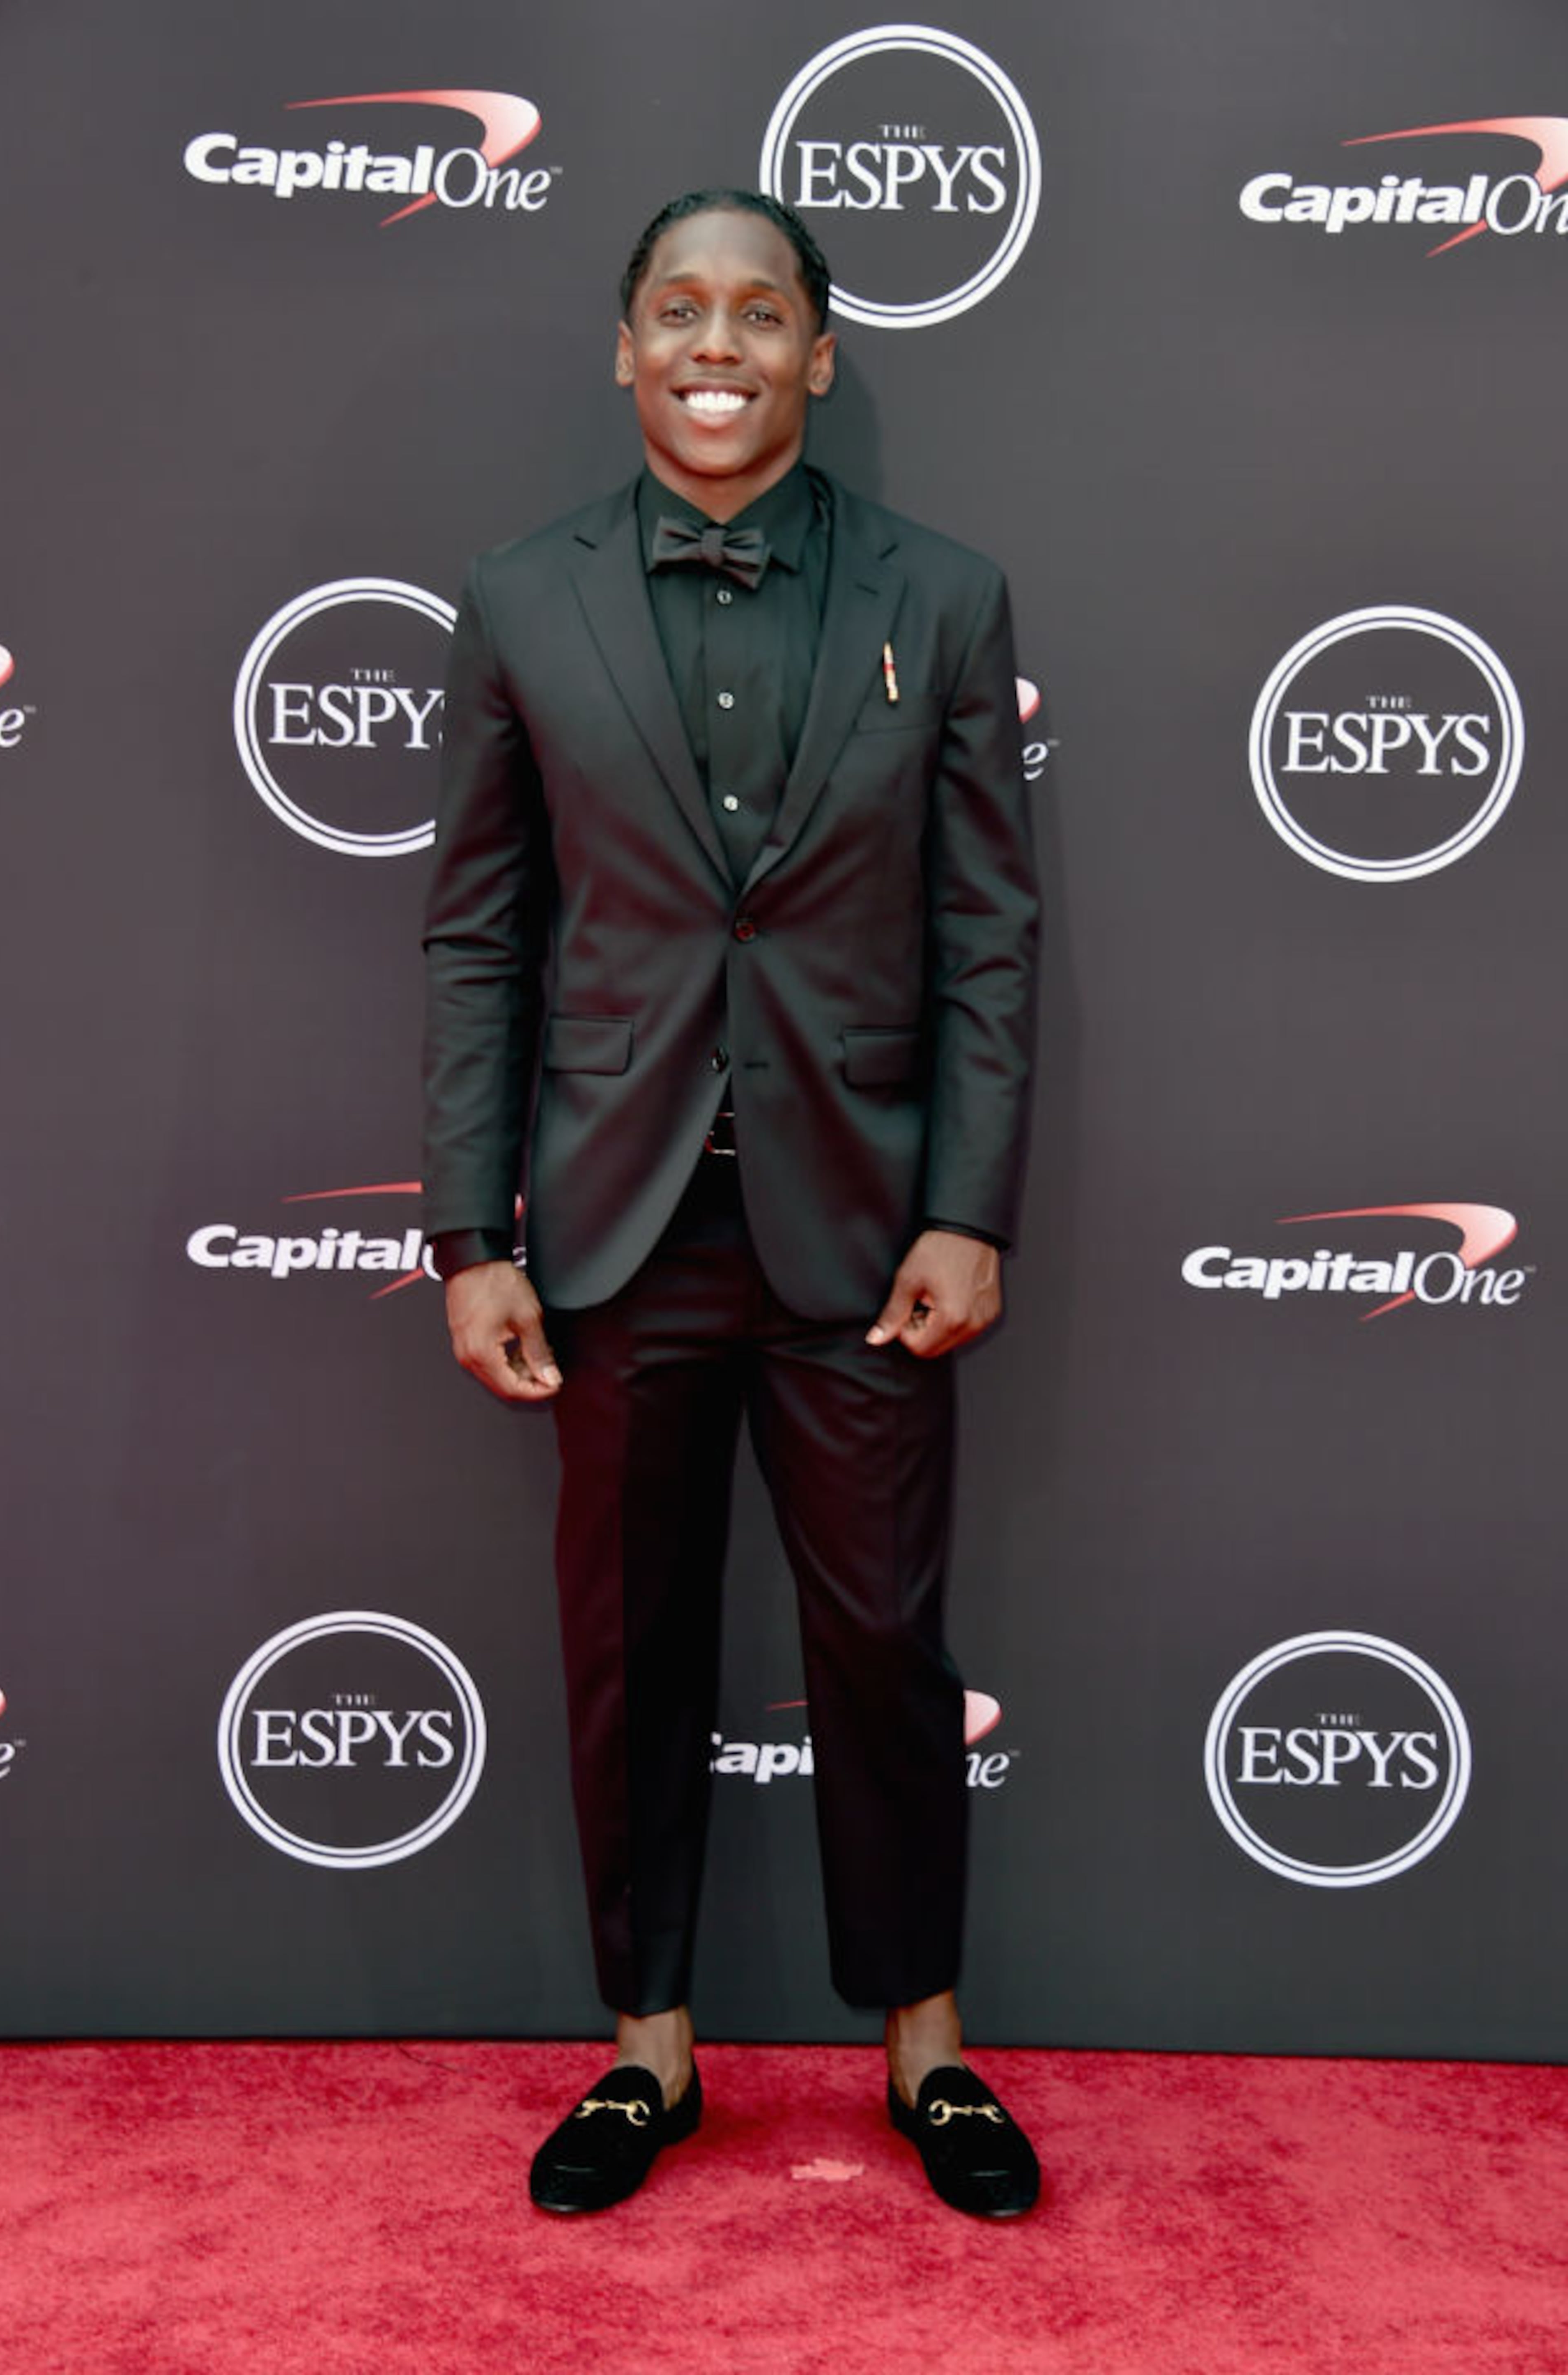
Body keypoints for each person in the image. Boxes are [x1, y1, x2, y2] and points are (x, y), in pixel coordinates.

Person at [422, 189, 1041, 2219]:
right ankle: (649, 2056)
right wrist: (470, 1230)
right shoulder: (519, 599)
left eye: (759, 313)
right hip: (612, 1233)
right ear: (626, 350)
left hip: (864, 1237)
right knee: (635, 1653)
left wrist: (971, 1206)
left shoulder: (945, 601)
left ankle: (926, 2053)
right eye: (678, 309)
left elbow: (987, 939)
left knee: (883, 1640)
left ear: (818, 356)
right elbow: (479, 947)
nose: (718, 342)